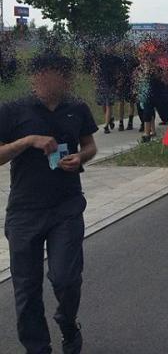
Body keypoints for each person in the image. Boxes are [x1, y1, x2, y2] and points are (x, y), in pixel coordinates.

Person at [0, 51, 98, 354]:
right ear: (34, 77)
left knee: (66, 278)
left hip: (66, 207)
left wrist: (80, 158)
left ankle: (67, 321)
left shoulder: (76, 108)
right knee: (27, 291)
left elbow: (90, 145)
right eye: (41, 75)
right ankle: (37, 348)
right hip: (24, 211)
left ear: (65, 78)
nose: (47, 81)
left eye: (57, 75)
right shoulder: (14, 110)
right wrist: (28, 141)